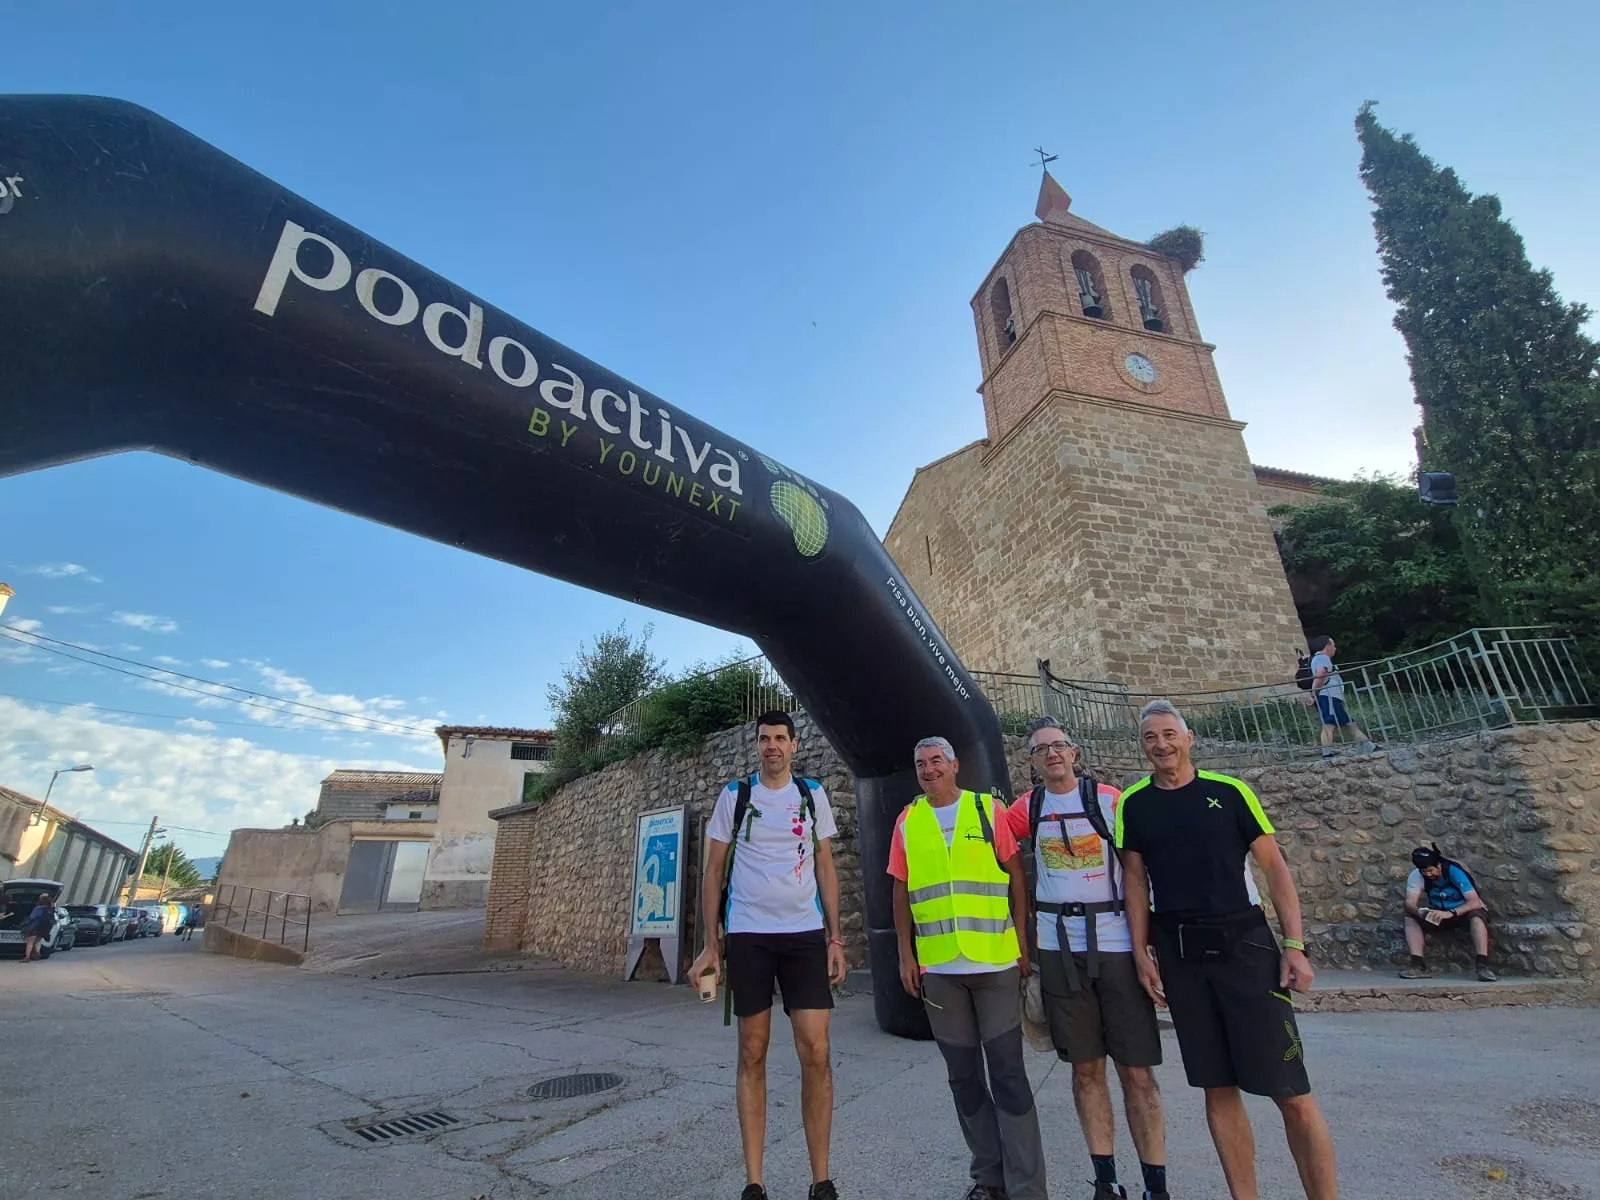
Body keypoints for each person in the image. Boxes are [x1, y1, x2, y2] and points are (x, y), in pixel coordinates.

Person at [1117, 699, 1338, 1200]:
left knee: (1291, 1092)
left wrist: (1294, 945)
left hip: (1246, 946)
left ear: (1188, 738)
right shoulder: (1134, 804)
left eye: (1169, 734)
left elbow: (1275, 869)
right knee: (1217, 1089)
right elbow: (1134, 882)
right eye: (1150, 737)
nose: (1161, 745)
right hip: (1180, 953)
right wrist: (1140, 953)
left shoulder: (1231, 792)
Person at [1005, 717, 1168, 1200]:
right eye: (1041, 750)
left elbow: (1141, 871)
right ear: (1033, 762)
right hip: (1058, 948)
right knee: (1085, 1068)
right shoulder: (1025, 809)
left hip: (1115, 942)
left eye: (1059, 746)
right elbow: (984, 833)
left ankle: (1156, 1186)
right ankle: (1106, 1182)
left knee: (1136, 1071)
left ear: (1074, 753)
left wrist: (1146, 947)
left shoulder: (1109, 801)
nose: (1052, 754)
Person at [690, 710, 848, 1200]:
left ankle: (821, 1180)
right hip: (749, 935)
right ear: (756, 746)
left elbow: (825, 863)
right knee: (752, 1051)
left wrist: (836, 938)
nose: (773, 745)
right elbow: (713, 870)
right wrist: (711, 944)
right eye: (764, 739)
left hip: (804, 935)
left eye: (781, 738)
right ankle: (754, 1182)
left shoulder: (811, 795)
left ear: (795, 746)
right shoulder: (735, 796)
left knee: (816, 1052)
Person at [890, 736, 1045, 1200]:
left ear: (955, 765)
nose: (929, 769)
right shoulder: (908, 820)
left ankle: (1027, 1187)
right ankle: (989, 1178)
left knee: (1008, 1074)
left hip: (994, 963)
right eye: (921, 763)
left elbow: (1017, 876)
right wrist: (905, 953)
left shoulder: (986, 810)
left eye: (937, 760)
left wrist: (1021, 939)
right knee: (963, 1077)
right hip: (939, 968)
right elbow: (900, 891)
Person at [1402, 845, 1496, 981]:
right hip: (1440, 913)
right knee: (1410, 917)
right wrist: (1420, 912)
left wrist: (1452, 913)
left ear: (1438, 865)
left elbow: (1474, 902)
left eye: (1430, 870)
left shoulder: (1454, 871)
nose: (1428, 875)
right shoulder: (1416, 875)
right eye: (1424, 872)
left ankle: (1482, 966)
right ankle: (1418, 965)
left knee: (1477, 915)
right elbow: (1409, 903)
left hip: (1462, 911)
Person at [1306, 636, 1373, 758]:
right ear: (1327, 646)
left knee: (1349, 723)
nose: (1335, 648)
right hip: (1329, 697)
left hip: (1331, 698)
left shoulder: (1317, 658)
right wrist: (1314, 694)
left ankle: (1369, 747)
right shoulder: (1323, 658)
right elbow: (1320, 675)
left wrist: (1314, 695)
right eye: (1334, 645)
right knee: (1329, 725)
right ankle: (1327, 754)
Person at [21, 893, 54, 961]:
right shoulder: (50, 909)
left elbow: (32, 917)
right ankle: (37, 955)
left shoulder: (38, 908)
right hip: (43, 929)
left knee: (30, 942)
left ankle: (27, 957)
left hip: (34, 927)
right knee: (38, 942)